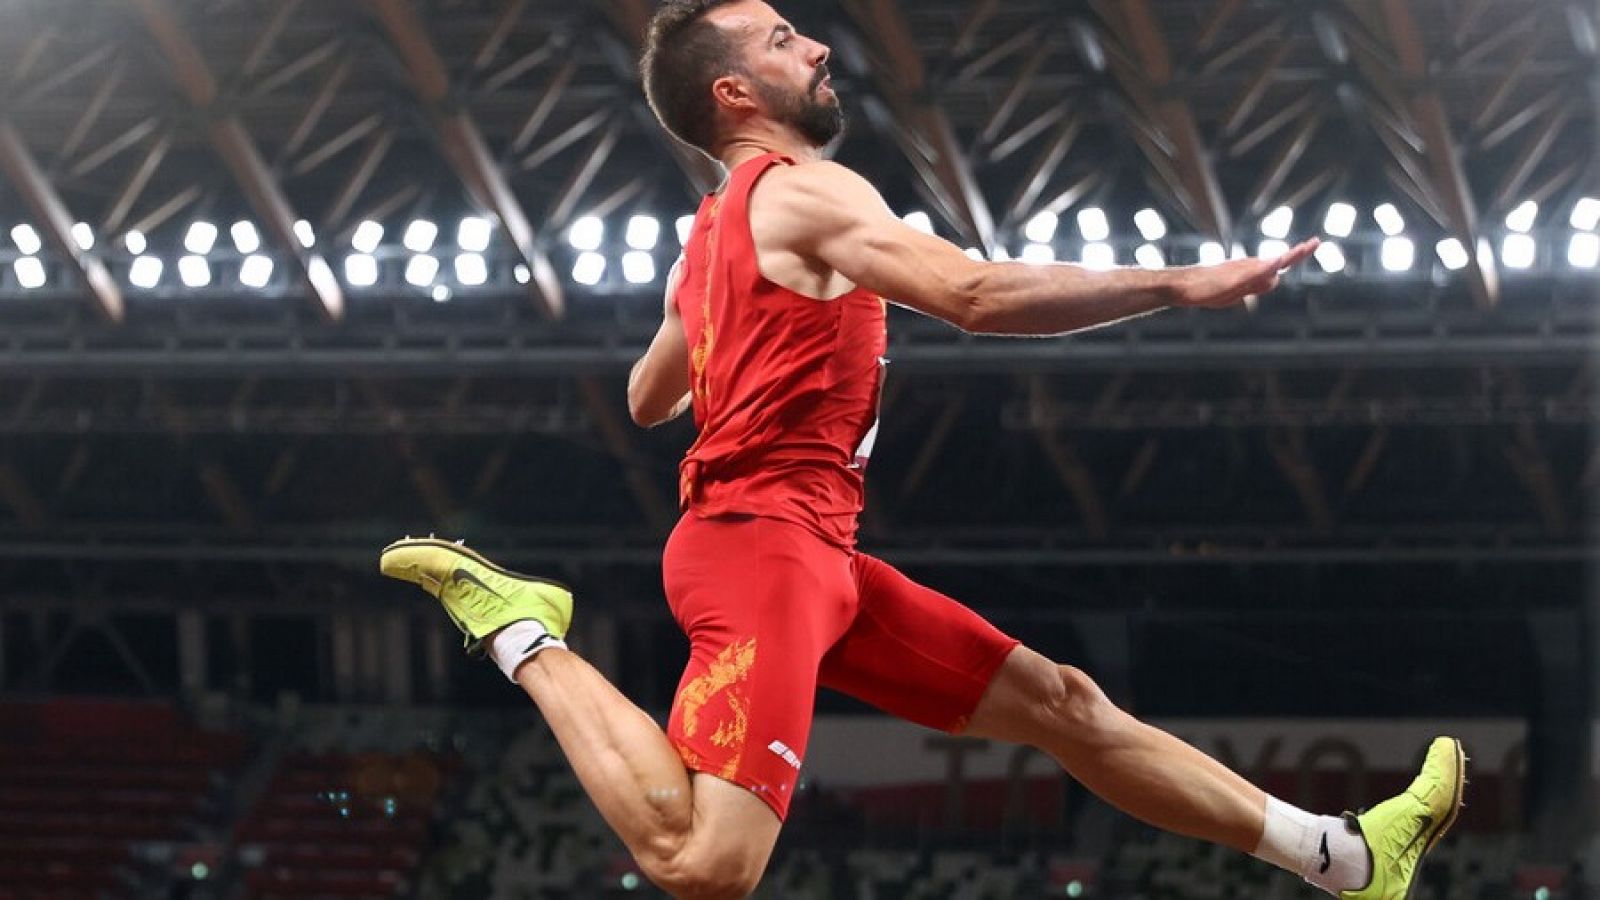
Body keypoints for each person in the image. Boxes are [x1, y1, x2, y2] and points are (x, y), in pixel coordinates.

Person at [379, 2, 1464, 897]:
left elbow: (647, 395)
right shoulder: (803, 192)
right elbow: (973, 294)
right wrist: (1181, 281)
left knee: (1063, 706)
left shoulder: (709, 236)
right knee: (703, 864)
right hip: (761, 551)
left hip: (818, 557)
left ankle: (1340, 856)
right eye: (780, 40)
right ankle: (526, 632)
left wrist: (720, 328)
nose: (814, 46)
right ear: (734, 95)